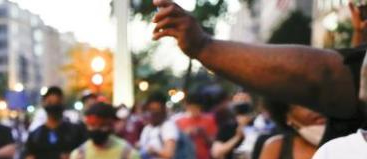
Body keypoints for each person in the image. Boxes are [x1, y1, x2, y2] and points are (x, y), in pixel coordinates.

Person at [150, 0, 367, 143]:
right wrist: (203, 47)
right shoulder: (276, 147)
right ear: (286, 117)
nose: (317, 110)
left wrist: (205, 47)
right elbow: (336, 77)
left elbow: (330, 77)